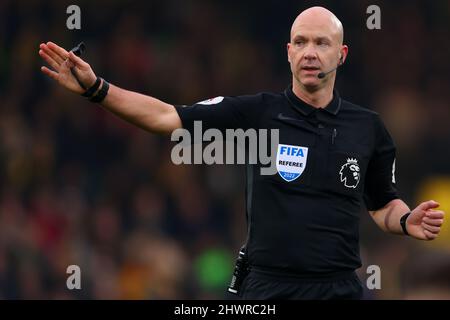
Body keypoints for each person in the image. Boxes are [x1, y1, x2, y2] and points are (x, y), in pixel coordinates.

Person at [38, 6, 445, 299]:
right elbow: (166, 117)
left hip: (338, 287)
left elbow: (382, 205)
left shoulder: (368, 126)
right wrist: (97, 89)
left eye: (322, 43)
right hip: (267, 286)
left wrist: (407, 219)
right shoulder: (258, 112)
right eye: (300, 42)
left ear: (341, 55)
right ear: (288, 52)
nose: (309, 52)